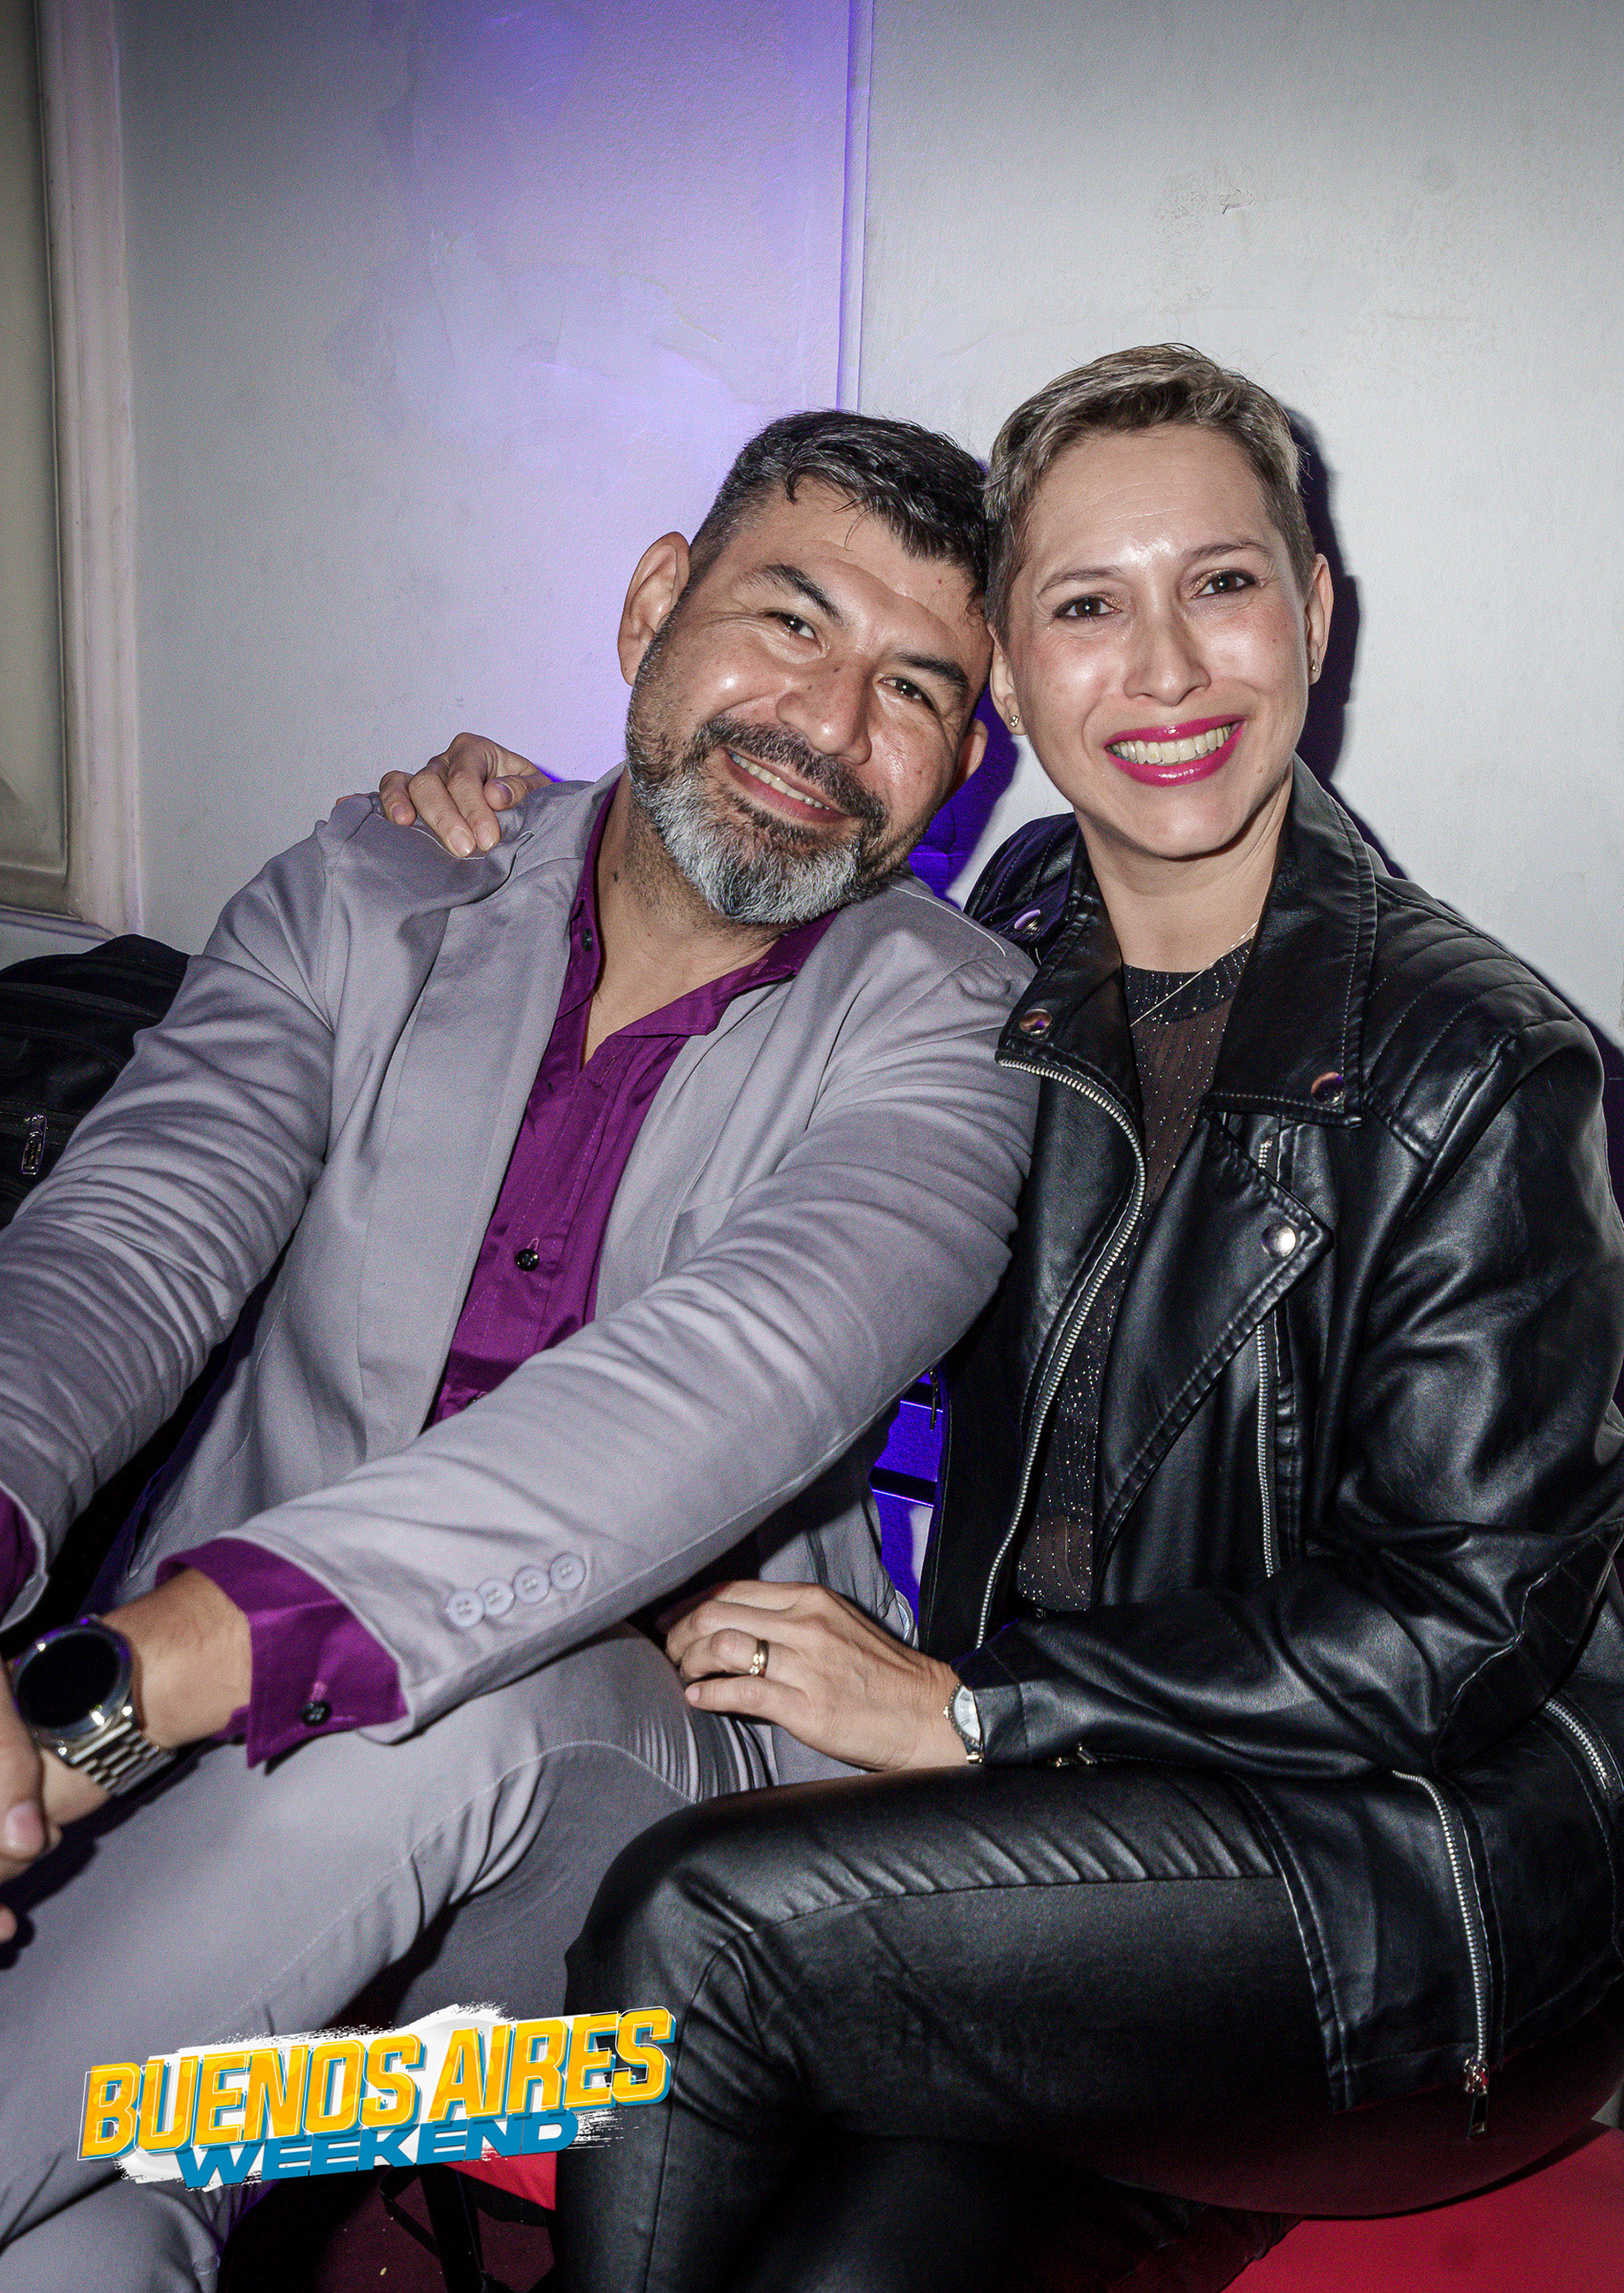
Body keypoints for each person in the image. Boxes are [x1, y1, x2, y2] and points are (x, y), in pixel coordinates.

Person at [414, 346, 1624, 2293]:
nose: (1165, 671)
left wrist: (975, 1709)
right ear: (1007, 671)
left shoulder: (1475, 1063)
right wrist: (517, 826)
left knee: (698, 1925)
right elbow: (743, 903)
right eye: (1088, 606)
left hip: (1427, 1906)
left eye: (1222, 585)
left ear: (1312, 610)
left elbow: (1461, 1623)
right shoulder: (1009, 934)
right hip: (1085, 1859)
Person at [0, 411, 1039, 2288]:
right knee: (86, 2219)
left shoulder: (960, 1032)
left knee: (451, 1710)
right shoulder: (379, 886)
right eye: (788, 620)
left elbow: (713, 1388)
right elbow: (124, 1241)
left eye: (912, 688)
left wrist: (106, 1697)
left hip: (608, 2021)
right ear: (655, 605)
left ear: (961, 764)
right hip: (254, 1998)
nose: (827, 724)